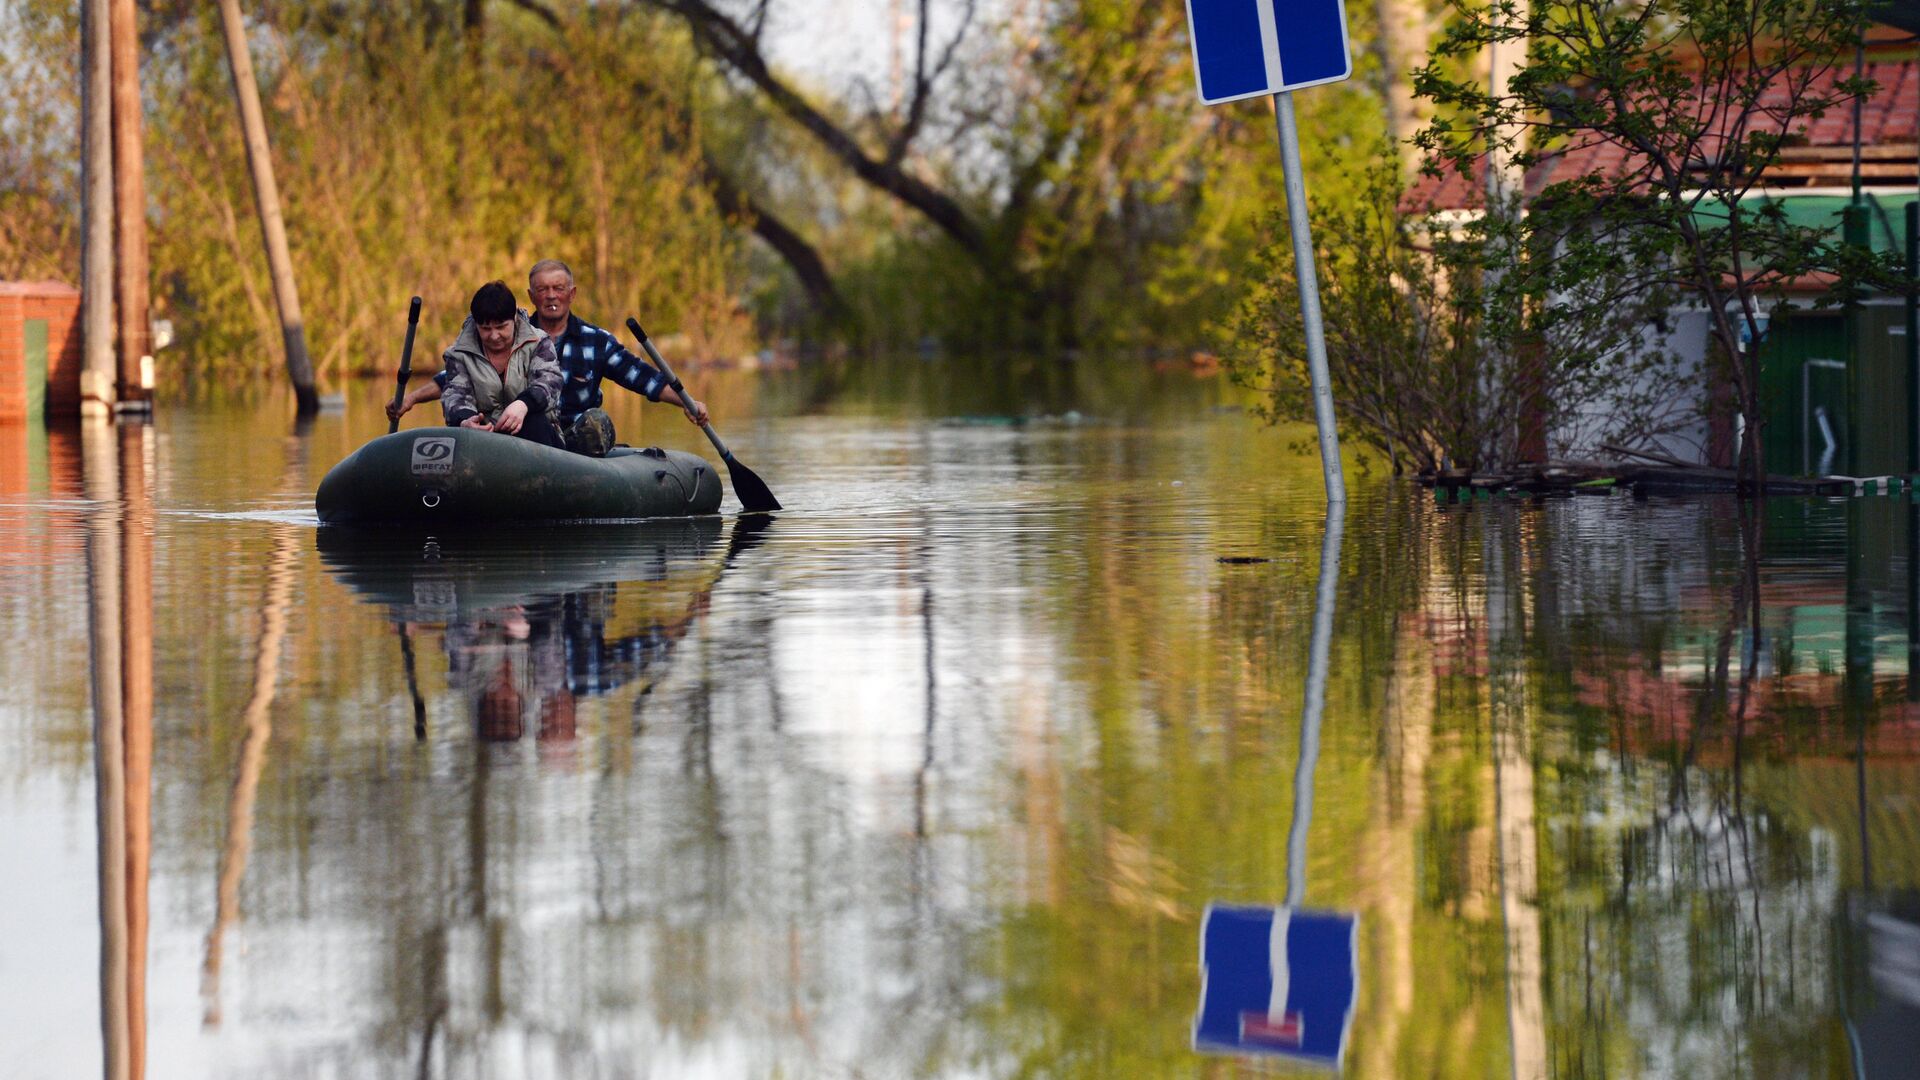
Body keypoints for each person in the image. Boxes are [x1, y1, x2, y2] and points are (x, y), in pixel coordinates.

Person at [388, 259, 709, 456]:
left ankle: (578, 479)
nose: (551, 296)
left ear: (572, 293)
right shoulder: (488, 341)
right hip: (503, 431)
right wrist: (416, 400)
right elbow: (454, 382)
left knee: (594, 423)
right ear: (530, 297)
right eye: (542, 290)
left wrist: (688, 403)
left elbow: (640, 377)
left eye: (558, 288)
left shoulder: (585, 341)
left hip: (562, 431)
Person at [438, 281, 566, 447]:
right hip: (486, 439)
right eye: (485, 328)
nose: (494, 336)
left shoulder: (538, 342)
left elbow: (550, 382)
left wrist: (523, 405)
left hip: (538, 435)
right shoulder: (458, 354)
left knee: (533, 421)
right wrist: (466, 420)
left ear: (514, 318)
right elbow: (455, 395)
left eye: (501, 327)